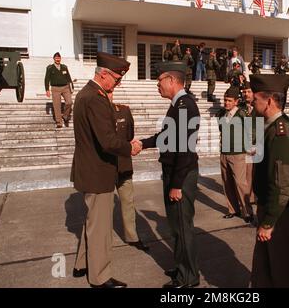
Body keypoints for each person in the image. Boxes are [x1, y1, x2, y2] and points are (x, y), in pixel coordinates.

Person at [71, 52, 140, 288]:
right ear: (104, 75)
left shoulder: (85, 94)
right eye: (116, 80)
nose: (117, 84)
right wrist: (130, 147)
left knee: (93, 221)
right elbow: (108, 141)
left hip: (89, 168)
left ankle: (82, 264)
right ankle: (99, 277)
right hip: (98, 171)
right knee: (100, 228)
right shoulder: (96, 98)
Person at [135, 61, 201, 288]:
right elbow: (166, 136)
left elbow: (184, 148)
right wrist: (142, 143)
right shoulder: (178, 105)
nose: (157, 84)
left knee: (183, 228)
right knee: (176, 227)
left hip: (180, 175)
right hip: (175, 173)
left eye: (159, 80)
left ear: (172, 80)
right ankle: (182, 268)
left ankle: (189, 278)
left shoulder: (185, 106)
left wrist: (177, 184)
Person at [250, 74, 289, 288]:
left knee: (281, 269)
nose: (252, 102)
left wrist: (269, 221)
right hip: (273, 207)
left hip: (282, 212)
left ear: (270, 101)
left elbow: (281, 184)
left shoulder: (281, 132)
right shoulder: (270, 127)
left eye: (256, 99)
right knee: (265, 267)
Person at [107, 91, 150, 252]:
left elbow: (129, 134)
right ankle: (102, 240)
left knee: (128, 201)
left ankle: (132, 236)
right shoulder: (97, 115)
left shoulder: (124, 110)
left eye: (110, 92)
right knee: (102, 208)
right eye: (105, 93)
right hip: (105, 166)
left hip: (123, 164)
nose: (108, 95)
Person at [215, 86, 254, 223]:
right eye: (225, 100)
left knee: (240, 183)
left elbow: (252, 130)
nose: (226, 103)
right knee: (227, 183)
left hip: (238, 153)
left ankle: (248, 212)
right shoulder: (222, 114)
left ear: (236, 102)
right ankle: (233, 209)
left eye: (230, 101)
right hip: (224, 153)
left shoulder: (242, 114)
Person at [44, 52, 74, 128]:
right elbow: (46, 79)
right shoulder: (50, 68)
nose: (58, 59)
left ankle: (65, 116)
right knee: (57, 105)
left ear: (60, 59)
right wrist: (47, 89)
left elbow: (69, 78)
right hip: (55, 88)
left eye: (59, 58)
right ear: (54, 59)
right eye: (56, 58)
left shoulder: (64, 67)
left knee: (69, 102)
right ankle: (59, 122)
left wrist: (71, 87)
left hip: (65, 87)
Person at [241, 82, 256, 205]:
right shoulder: (240, 107)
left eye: (249, 91)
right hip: (246, 145)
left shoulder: (260, 106)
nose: (246, 94)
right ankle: (249, 198)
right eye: (244, 92)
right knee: (247, 173)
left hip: (259, 144)